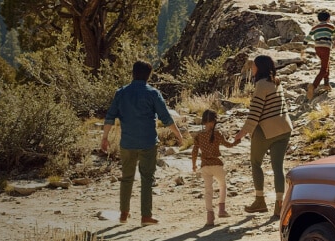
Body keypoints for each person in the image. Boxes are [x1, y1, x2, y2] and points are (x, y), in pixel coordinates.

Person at [101, 60, 183, 225]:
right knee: (147, 178)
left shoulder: (121, 93)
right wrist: (179, 135)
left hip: (127, 142)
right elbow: (165, 118)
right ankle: (146, 216)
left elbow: (110, 116)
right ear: (148, 75)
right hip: (147, 142)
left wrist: (104, 137)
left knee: (126, 177)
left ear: (133, 73)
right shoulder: (153, 93)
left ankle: (124, 214)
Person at [233, 55, 294, 215]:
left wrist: (241, 133)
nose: (251, 69)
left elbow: (255, 113)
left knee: (255, 163)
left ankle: (260, 201)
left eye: (253, 66)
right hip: (284, 128)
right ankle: (279, 205)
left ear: (259, 68)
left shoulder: (260, 85)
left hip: (266, 130)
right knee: (278, 167)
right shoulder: (277, 81)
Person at [191, 110, 238, 226]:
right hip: (217, 164)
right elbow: (228, 145)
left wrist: (193, 164)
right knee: (222, 185)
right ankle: (221, 208)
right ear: (214, 121)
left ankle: (210, 216)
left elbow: (194, 151)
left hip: (205, 166)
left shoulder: (199, 135)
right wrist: (237, 141)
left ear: (203, 122)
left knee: (208, 190)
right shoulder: (217, 133)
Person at [307, 11, 335, 98]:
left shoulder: (315, 27)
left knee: (326, 64)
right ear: (328, 19)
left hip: (317, 48)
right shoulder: (330, 26)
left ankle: (326, 84)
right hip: (325, 48)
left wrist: (305, 43)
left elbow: (308, 37)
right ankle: (313, 86)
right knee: (324, 69)